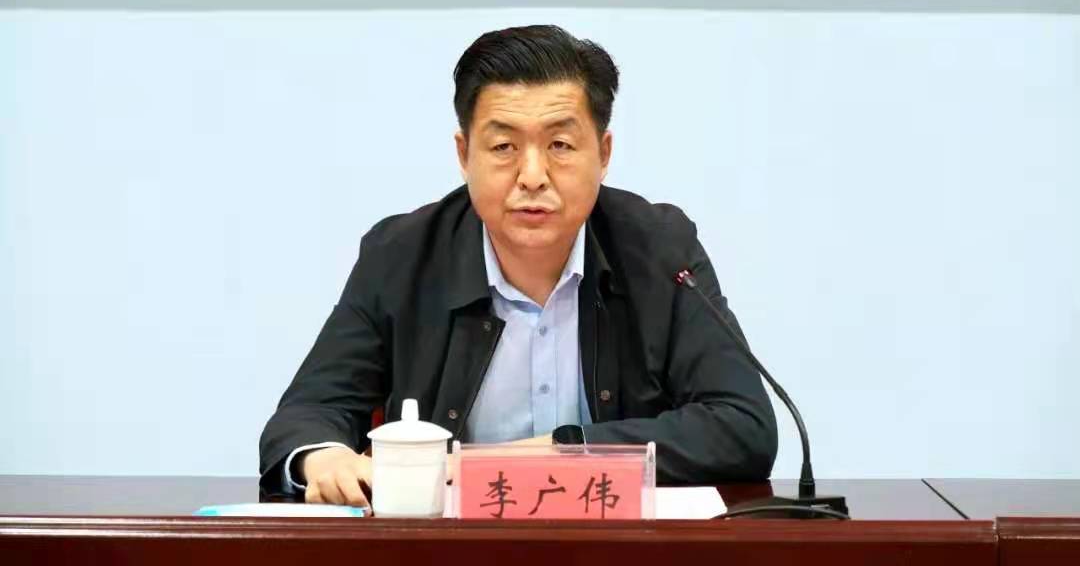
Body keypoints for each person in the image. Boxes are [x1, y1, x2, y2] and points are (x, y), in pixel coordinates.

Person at [259, 25, 777, 507]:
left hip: (617, 550)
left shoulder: (660, 250)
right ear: (465, 154)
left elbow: (742, 426)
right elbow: (308, 413)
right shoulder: (402, 255)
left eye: (560, 145)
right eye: (504, 146)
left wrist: (559, 451)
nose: (532, 175)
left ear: (603, 153)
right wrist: (322, 457)